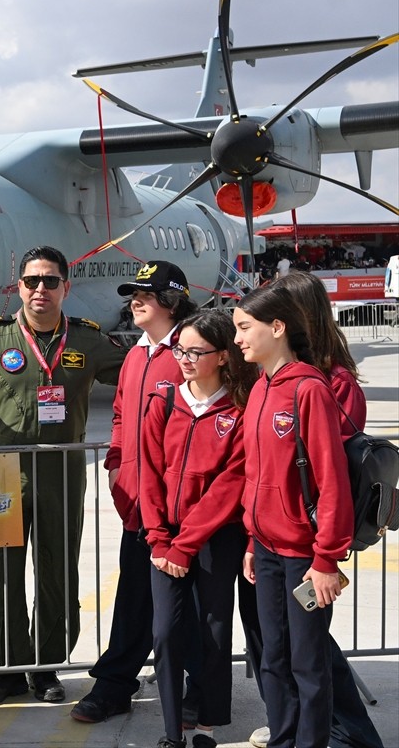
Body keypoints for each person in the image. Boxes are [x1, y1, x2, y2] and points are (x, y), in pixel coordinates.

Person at [0, 246, 124, 706]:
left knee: (57, 570)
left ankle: (46, 666)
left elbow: (141, 373)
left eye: (50, 281)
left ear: (66, 288)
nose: (40, 289)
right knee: (0, 575)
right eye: (31, 281)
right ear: (19, 287)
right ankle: (4, 670)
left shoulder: (88, 340)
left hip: (61, 471)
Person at [242, 271, 382, 748]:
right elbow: (255, 476)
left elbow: (333, 484)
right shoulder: (261, 389)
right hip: (265, 549)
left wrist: (326, 560)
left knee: (308, 663)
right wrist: (250, 540)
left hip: (304, 556)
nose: (237, 337)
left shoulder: (311, 389)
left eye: (244, 328)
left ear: (277, 327)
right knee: (274, 660)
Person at [71, 260, 198, 725]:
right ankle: (115, 685)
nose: (135, 301)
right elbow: (122, 415)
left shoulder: (190, 351)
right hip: (139, 506)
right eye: (133, 293)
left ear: (172, 299)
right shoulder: (138, 355)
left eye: (146, 293)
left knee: (195, 607)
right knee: (134, 599)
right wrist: (117, 466)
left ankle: (198, 691)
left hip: (183, 507)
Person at [140, 311, 257, 748]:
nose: (184, 358)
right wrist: (159, 538)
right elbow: (149, 475)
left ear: (224, 356)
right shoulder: (163, 401)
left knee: (213, 628)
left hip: (214, 539)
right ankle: (172, 731)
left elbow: (229, 486)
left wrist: (185, 546)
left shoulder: (240, 411)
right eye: (180, 349)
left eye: (195, 351)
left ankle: (206, 722)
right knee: (166, 633)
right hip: (163, 539)